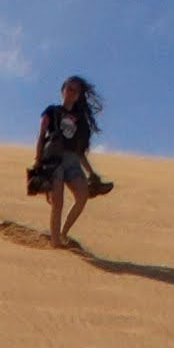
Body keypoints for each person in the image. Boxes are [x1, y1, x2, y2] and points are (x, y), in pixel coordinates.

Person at [27, 76, 111, 245]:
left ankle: (64, 233)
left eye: (75, 90)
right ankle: (55, 242)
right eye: (69, 88)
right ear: (63, 89)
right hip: (53, 158)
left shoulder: (80, 121)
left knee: (83, 195)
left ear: (79, 95)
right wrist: (38, 161)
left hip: (72, 160)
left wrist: (91, 173)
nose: (71, 93)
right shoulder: (51, 111)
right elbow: (41, 136)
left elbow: (80, 151)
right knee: (58, 202)